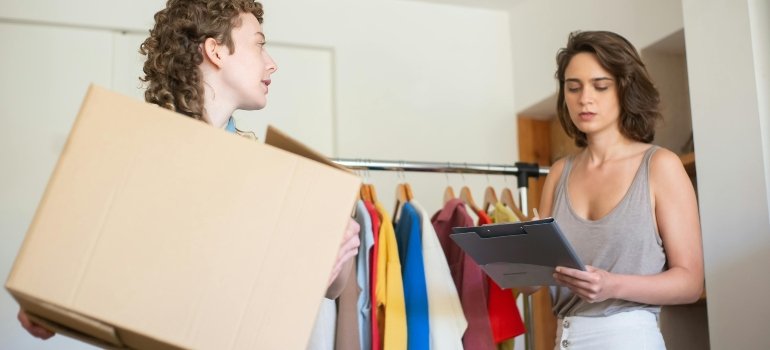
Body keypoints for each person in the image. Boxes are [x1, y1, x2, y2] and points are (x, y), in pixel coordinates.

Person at [18, 0, 361, 340]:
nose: (272, 64)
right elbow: (73, 265)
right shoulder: (134, 154)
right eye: (259, 45)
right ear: (216, 51)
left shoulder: (268, 173)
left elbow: (330, 289)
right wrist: (43, 302)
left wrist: (328, 253)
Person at [533, 30, 704, 349]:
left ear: (625, 89)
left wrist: (612, 286)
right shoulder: (558, 173)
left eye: (600, 86)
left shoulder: (660, 166)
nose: (584, 98)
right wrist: (514, 258)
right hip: (564, 338)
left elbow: (691, 283)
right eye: (573, 87)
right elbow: (533, 282)